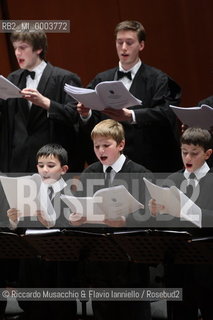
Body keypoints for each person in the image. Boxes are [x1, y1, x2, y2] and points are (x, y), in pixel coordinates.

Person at [69, 119, 153, 320]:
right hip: (100, 262)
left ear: (121, 145)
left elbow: (153, 216)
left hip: (131, 263)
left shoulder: (140, 173)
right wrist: (77, 220)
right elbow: (82, 207)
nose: (100, 150)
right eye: (96, 146)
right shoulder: (90, 173)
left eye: (106, 145)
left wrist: (126, 222)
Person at [77, 20, 182, 173]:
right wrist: (86, 115)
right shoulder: (101, 79)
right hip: (109, 165)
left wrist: (132, 115)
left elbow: (168, 113)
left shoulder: (159, 79)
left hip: (149, 160)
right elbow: (94, 123)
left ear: (141, 45)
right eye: (119, 43)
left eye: (129, 42)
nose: (124, 48)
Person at [0, 25, 84, 173]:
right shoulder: (13, 78)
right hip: (17, 162)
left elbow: (74, 115)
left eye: (23, 48)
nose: (17, 53)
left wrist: (45, 103)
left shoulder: (65, 78)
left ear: (38, 49)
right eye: (15, 48)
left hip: (50, 162)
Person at [7, 144, 77, 320]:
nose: (44, 170)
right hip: (32, 255)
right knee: (32, 305)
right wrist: (13, 220)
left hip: (58, 261)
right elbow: (17, 227)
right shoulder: (29, 191)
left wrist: (50, 223)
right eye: (40, 165)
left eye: (50, 166)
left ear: (64, 169)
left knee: (59, 307)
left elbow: (75, 229)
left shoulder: (72, 192)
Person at [149, 127, 213, 320]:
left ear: (208, 154)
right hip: (177, 263)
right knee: (180, 313)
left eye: (194, 153)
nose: (188, 158)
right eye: (184, 152)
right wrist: (155, 212)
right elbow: (163, 222)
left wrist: (185, 212)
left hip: (208, 263)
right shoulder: (172, 180)